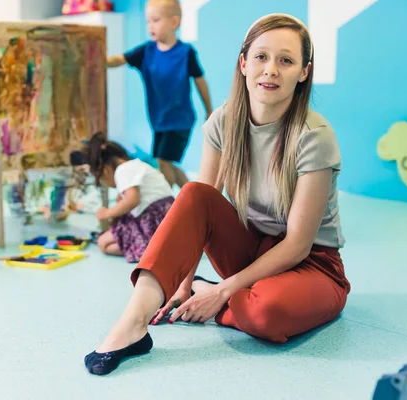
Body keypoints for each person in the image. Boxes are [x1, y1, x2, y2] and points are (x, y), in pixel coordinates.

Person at [84, 13, 351, 376]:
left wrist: (222, 290)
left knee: (265, 315)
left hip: (313, 265)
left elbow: (298, 246)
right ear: (243, 63)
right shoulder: (223, 122)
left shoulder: (314, 137)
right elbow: (197, 215)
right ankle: (132, 323)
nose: (270, 69)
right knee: (193, 193)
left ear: (304, 72)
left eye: (286, 60)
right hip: (250, 250)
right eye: (261, 57)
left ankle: (219, 294)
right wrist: (181, 285)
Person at [107, 0, 212, 188]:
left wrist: (209, 110)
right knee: (167, 161)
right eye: (148, 21)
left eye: (155, 20)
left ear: (174, 22)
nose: (150, 26)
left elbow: (200, 81)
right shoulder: (146, 51)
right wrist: (99, 60)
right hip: (159, 121)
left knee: (163, 161)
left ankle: (168, 205)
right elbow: (119, 59)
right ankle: (195, 197)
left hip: (180, 120)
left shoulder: (185, 53)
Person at [84, 132, 174, 263]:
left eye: (102, 179)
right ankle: (154, 248)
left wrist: (106, 213)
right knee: (107, 243)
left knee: (103, 243)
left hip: (154, 219)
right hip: (165, 218)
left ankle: (153, 249)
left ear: (106, 170)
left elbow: (132, 200)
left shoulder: (123, 170)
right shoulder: (135, 166)